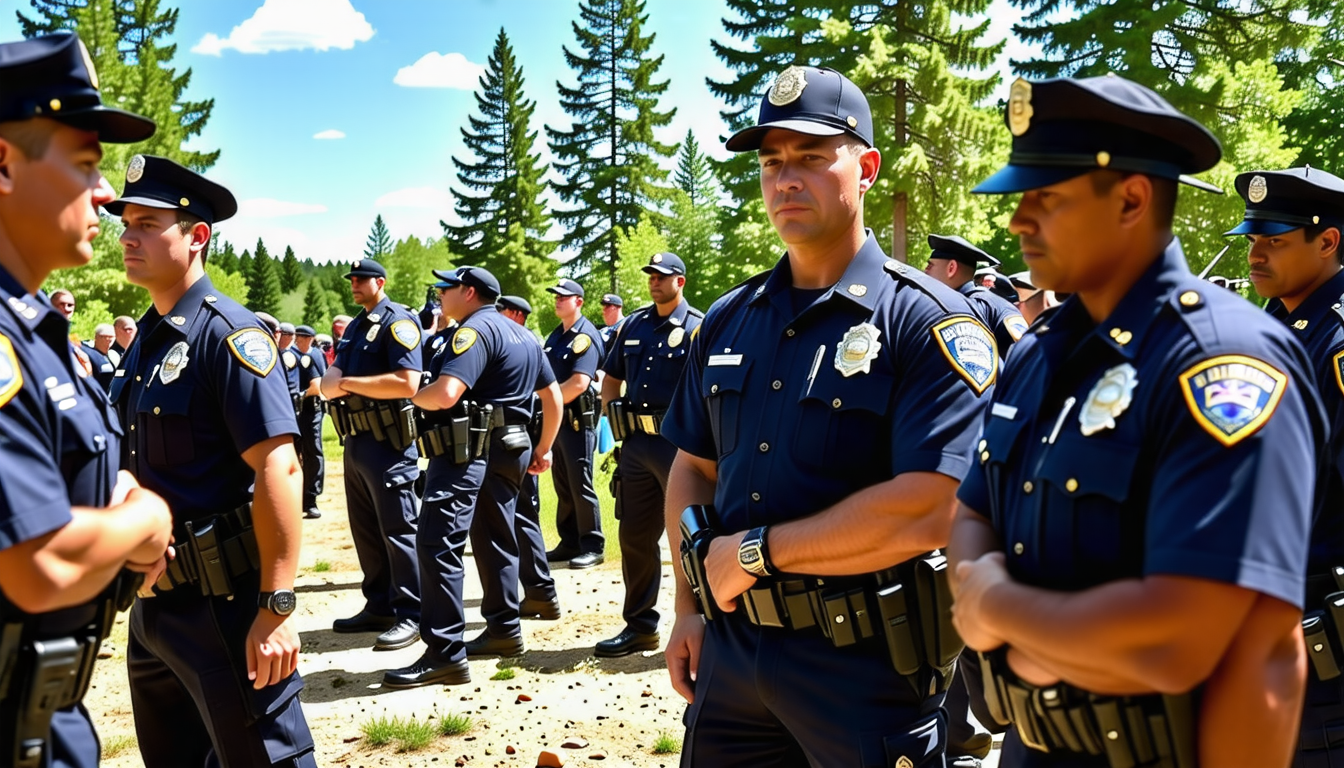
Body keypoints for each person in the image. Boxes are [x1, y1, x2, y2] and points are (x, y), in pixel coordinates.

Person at [948, 75, 1326, 768]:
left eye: (1046, 197)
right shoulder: (1038, 351)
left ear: (1130, 198)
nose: (1017, 220)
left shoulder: (1221, 362)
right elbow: (973, 511)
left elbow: (1182, 640)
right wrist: (1042, 629)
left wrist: (997, 610)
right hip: (1030, 748)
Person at [661, 65, 997, 766]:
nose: (786, 179)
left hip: (864, 669)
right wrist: (688, 608)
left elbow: (933, 507)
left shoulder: (927, 321)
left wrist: (755, 551)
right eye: (771, 161)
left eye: (812, 157)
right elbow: (692, 466)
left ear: (867, 167)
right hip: (732, 658)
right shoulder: (727, 320)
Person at [106, 154, 316, 767]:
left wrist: (276, 607)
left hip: (224, 611)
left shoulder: (227, 335)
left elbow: (279, 467)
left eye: (148, 223)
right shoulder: (146, 338)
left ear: (196, 236)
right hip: (153, 610)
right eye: (126, 223)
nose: (128, 236)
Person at [0, 31, 173, 768]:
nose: (105, 197)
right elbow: (41, 567)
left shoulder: (35, 329)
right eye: (84, 166)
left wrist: (107, 496)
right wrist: (145, 518)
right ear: (4, 166)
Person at [383, 267, 563, 688]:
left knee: (437, 543)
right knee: (496, 537)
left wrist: (409, 394)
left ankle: (444, 652)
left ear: (469, 292)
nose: (440, 295)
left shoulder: (474, 331)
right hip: (512, 447)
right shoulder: (524, 335)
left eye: (446, 288)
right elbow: (552, 397)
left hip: (468, 450)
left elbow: (446, 393)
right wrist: (544, 447)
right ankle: (504, 630)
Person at [1226, 166, 1344, 766]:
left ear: (1328, 242)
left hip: (1319, 652)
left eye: (1275, 240)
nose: (1256, 253)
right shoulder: (1268, 331)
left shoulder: (1337, 342)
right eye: (1252, 239)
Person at [595, 252, 702, 658]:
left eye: (663, 276)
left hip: (679, 448)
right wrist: (613, 417)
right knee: (635, 537)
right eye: (651, 276)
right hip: (636, 447)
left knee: (688, 540)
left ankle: (700, 625)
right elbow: (611, 379)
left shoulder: (698, 327)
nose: (654, 281)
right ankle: (639, 627)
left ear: (681, 282)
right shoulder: (634, 325)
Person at [321, 259, 423, 650]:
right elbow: (330, 381)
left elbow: (407, 381)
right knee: (365, 530)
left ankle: (412, 612)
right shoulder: (358, 325)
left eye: (361, 279)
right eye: (352, 280)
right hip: (357, 441)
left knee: (399, 531)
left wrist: (345, 383)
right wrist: (340, 383)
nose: (354, 285)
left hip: (389, 443)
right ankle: (379, 603)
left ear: (380, 282)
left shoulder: (398, 322)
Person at [497, 294, 562, 620]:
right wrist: (544, 445)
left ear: (514, 314)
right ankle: (540, 593)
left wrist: (545, 445)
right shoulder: (531, 343)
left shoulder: (499, 341)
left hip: (502, 439)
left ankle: (509, 613)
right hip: (524, 438)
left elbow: (553, 396)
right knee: (522, 515)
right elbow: (553, 397)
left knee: (502, 523)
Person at [543, 278, 606, 569]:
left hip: (578, 420)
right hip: (559, 419)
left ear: (578, 301)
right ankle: (569, 541)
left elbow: (580, 382)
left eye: (563, 297)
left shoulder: (585, 336)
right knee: (563, 482)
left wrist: (544, 405)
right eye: (556, 296)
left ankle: (592, 544)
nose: (557, 300)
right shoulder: (556, 336)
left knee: (580, 482)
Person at [925, 235, 1029, 352]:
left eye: (930, 266)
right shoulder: (997, 304)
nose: (924, 272)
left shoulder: (967, 307)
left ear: (951, 268)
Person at [294, 325, 326, 520]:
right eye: (297, 337)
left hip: (310, 409)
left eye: (302, 337)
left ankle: (311, 499)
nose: (298, 340)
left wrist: (301, 395)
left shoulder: (312, 356)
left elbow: (317, 385)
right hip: (297, 410)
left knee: (313, 452)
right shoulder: (295, 355)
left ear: (311, 339)